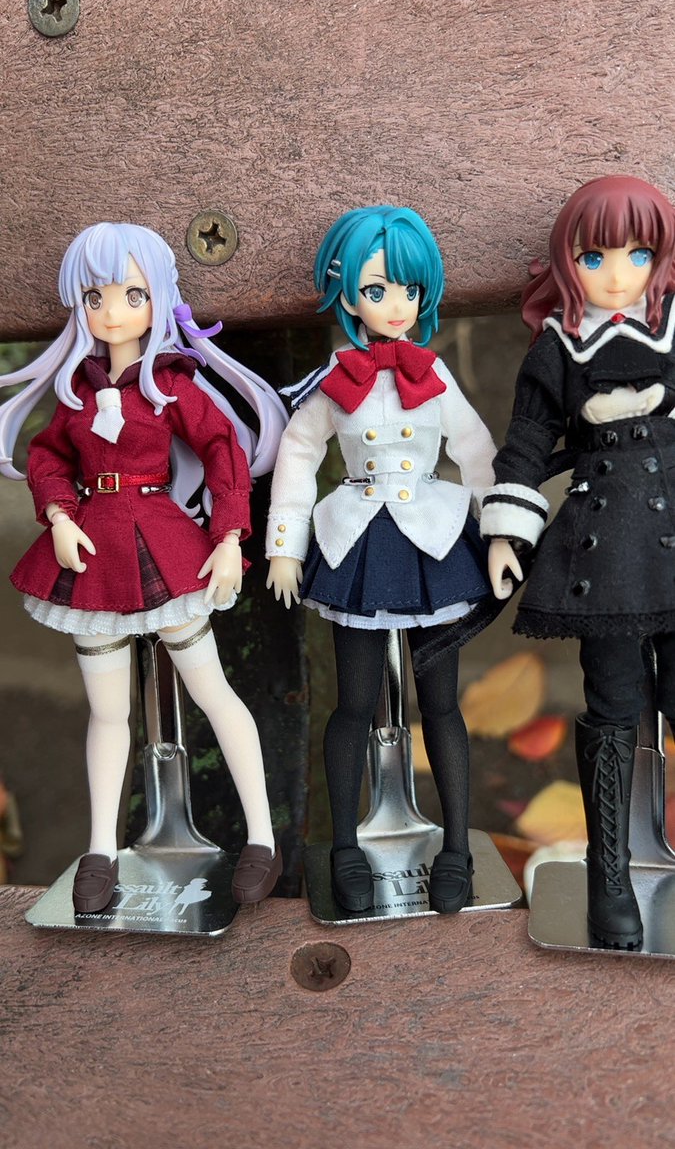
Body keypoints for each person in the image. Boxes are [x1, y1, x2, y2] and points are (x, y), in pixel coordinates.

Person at [1, 222, 288, 913]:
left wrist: (228, 535)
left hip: (164, 544)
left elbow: (222, 451)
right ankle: (100, 848)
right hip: (91, 554)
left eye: (133, 295)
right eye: (95, 296)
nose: (112, 311)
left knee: (213, 691)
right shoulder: (75, 391)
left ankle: (262, 837)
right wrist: (59, 514)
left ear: (159, 299)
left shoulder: (171, 386)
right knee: (107, 712)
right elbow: (47, 456)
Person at [266, 205, 498, 914]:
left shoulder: (434, 374)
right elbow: (298, 454)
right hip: (359, 541)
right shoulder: (333, 380)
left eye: (409, 290)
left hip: (431, 539)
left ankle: (456, 848)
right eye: (376, 290)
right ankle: (345, 846)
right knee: (354, 703)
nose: (396, 305)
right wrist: (285, 545)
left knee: (442, 703)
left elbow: (476, 451)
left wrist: (499, 533)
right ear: (346, 293)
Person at [482, 175, 675, 949]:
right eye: (595, 257)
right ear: (568, 263)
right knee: (614, 702)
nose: (618, 274)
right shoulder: (558, 347)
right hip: (606, 548)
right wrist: (506, 530)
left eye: (637, 254)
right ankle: (609, 875)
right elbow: (528, 440)